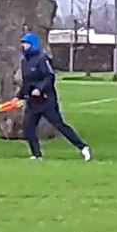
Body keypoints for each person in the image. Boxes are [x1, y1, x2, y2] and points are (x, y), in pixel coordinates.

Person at [19, 32, 93, 161]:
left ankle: (83, 147)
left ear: (33, 44)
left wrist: (39, 89)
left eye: (27, 43)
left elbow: (49, 77)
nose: (24, 46)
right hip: (33, 102)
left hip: (47, 101)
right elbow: (26, 81)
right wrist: (19, 96)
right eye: (23, 43)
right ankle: (36, 155)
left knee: (59, 125)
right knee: (28, 127)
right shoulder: (25, 62)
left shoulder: (42, 59)